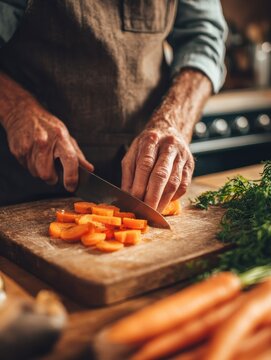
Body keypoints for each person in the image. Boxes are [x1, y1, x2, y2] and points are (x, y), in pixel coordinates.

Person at [0, 0, 227, 211]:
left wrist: (173, 121)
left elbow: (203, 35)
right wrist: (16, 110)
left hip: (144, 182)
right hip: (22, 182)